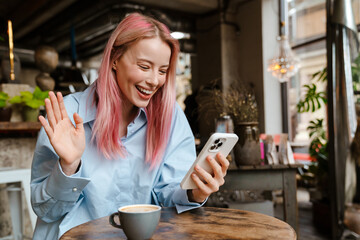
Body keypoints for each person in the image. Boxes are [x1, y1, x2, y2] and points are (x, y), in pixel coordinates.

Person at [31, 12, 229, 239]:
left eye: (162, 71)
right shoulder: (67, 115)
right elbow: (46, 210)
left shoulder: (170, 116)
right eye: (144, 67)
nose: (155, 80)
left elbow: (167, 192)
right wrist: (69, 167)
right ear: (115, 59)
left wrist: (194, 192)